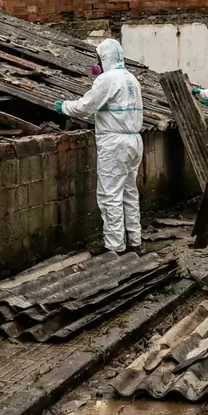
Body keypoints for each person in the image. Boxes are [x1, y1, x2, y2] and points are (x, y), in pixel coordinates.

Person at [56, 39, 144, 254]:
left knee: (110, 195)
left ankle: (114, 247)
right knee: (129, 193)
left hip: (114, 142)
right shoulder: (131, 79)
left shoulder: (107, 79)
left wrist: (64, 106)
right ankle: (135, 240)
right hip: (134, 140)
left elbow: (87, 106)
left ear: (103, 58)